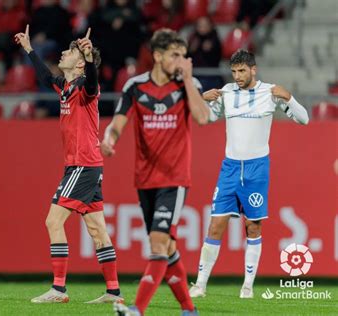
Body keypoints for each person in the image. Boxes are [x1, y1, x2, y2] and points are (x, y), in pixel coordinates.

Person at [14, 25, 123, 304]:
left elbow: (93, 82)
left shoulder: (87, 88)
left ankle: (59, 289)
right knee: (98, 230)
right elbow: (46, 75)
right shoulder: (65, 86)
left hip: (82, 166)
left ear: (79, 63)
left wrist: (87, 57)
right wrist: (29, 49)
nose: (63, 52)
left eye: (69, 51)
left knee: (53, 221)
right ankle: (113, 292)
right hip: (85, 166)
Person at [102, 28, 207, 316]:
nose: (182, 61)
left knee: (158, 241)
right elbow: (117, 123)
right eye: (175, 55)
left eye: (184, 56)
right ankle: (189, 309)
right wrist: (109, 139)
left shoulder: (188, 83)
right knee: (168, 246)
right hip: (145, 179)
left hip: (174, 179)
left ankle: (137, 309)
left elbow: (202, 117)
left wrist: (186, 78)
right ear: (158, 56)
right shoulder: (135, 87)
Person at [189, 49, 309, 299]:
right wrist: (202, 99)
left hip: (257, 169)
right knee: (215, 226)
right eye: (234, 71)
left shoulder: (271, 92)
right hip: (230, 168)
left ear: (253, 69)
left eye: (242, 71)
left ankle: (247, 287)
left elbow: (304, 120)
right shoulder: (227, 92)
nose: (237, 76)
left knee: (253, 228)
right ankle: (200, 285)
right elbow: (205, 118)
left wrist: (290, 98)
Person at [187, 16, 223, 91]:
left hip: (211, 76)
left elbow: (216, 58)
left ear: (211, 26)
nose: (202, 28)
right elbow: (188, 57)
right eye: (200, 25)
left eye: (205, 25)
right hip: (195, 74)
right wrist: (191, 50)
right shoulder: (193, 39)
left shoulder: (214, 39)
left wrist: (210, 50)